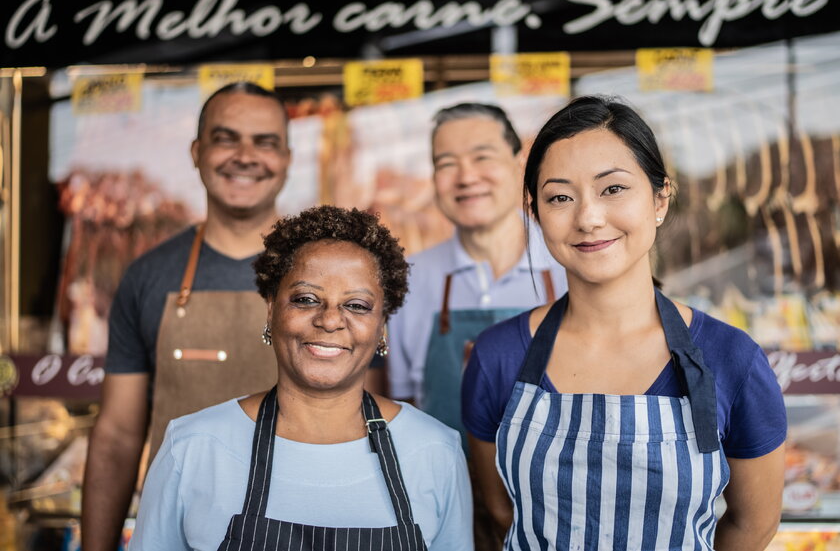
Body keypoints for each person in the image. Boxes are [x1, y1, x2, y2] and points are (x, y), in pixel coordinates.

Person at [462, 96, 786, 550]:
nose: (589, 218)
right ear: (535, 214)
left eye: (612, 189)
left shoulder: (733, 359)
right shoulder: (497, 356)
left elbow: (753, 525)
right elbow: (498, 512)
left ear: (659, 199)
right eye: (559, 197)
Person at [129, 205, 473, 550]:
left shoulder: (435, 451)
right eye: (306, 299)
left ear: (382, 325)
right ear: (271, 310)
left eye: (356, 305)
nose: (329, 320)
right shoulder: (193, 448)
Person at [82, 82, 292, 551]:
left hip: (302, 532)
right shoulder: (148, 277)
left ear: (287, 159)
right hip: (173, 534)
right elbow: (117, 435)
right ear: (196, 152)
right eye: (226, 138)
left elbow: (367, 419)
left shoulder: (323, 274)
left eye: (265, 142)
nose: (245, 155)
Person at [388, 103, 566, 439]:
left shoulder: (569, 266)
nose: (466, 177)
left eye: (482, 157)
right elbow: (401, 407)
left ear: (519, 165)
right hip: (447, 486)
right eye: (447, 164)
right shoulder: (407, 280)